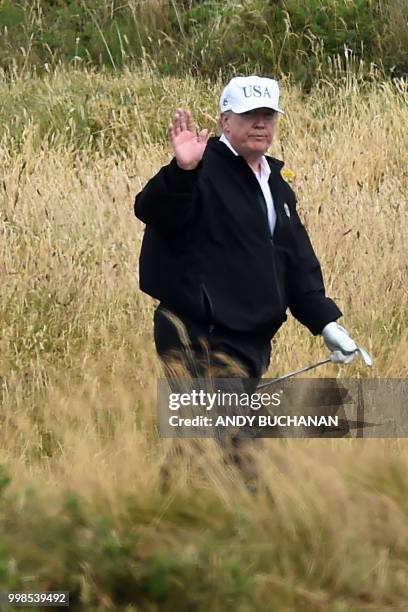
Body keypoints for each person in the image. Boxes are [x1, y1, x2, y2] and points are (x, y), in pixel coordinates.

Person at [134, 75, 359, 388]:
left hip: (249, 341)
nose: (260, 124)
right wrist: (181, 173)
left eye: (267, 116)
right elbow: (154, 211)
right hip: (199, 338)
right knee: (218, 436)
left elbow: (295, 259)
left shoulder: (275, 184)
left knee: (228, 437)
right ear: (226, 121)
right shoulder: (199, 169)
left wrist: (325, 323)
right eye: (249, 115)